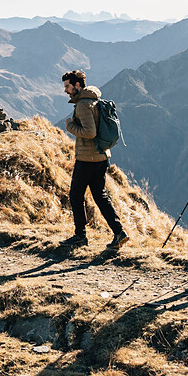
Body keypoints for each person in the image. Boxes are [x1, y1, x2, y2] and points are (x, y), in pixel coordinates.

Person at [61, 70, 127, 249]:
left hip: (87, 158)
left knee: (76, 195)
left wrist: (70, 126)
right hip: (100, 156)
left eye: (67, 86)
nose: (65, 90)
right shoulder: (93, 100)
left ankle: (80, 236)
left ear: (77, 85)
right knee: (100, 195)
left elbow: (90, 132)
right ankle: (119, 232)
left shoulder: (83, 104)